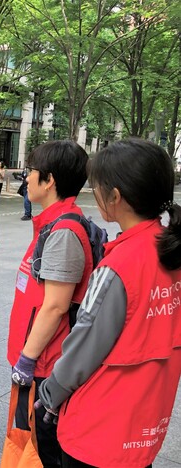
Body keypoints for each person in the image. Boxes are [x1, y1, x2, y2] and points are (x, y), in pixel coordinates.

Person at [38, 138, 181, 468]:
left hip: (99, 428)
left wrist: (50, 392)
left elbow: (84, 346)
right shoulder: (168, 249)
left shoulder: (119, 265)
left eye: (97, 186)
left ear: (115, 196)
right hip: (145, 422)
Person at [6, 141, 93, 467]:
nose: (26, 178)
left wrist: (27, 360)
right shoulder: (52, 224)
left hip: (45, 364)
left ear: (50, 180)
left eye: (31, 171)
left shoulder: (63, 232)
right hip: (39, 359)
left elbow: (56, 306)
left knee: (42, 450)